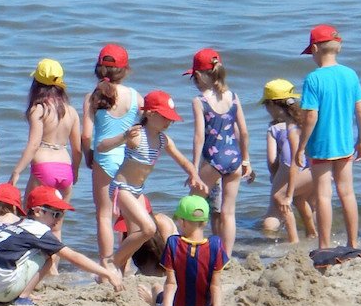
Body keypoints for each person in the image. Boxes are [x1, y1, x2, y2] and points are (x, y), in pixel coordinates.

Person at [96, 90, 206, 275]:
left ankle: (118, 274)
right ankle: (111, 262)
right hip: (121, 188)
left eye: (171, 119)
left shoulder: (163, 140)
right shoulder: (136, 135)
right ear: (149, 113)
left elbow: (183, 161)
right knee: (148, 229)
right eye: (164, 117)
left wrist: (194, 175)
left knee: (134, 237)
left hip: (137, 191)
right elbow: (101, 147)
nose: (168, 122)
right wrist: (124, 136)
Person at [0, 185, 122, 305]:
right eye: (56, 214)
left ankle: (15, 292)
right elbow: (73, 257)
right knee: (49, 256)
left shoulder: (18, 224)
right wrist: (107, 273)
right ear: (37, 211)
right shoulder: (38, 230)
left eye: (62, 214)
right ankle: (22, 297)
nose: (59, 220)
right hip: (3, 290)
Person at [294, 25, 361, 248]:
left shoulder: (313, 79)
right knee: (347, 193)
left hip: (321, 146)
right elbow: (360, 110)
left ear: (315, 49)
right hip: (345, 144)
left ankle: (324, 246)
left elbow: (311, 116)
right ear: (338, 48)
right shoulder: (350, 74)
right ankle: (353, 242)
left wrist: (301, 146)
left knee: (323, 195)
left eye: (311, 52)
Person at [184, 48, 253, 257]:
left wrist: (194, 170)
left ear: (198, 76)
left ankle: (191, 250)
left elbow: (199, 137)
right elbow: (243, 132)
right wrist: (246, 160)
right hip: (234, 158)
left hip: (214, 159)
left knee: (193, 204)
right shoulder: (233, 97)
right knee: (228, 212)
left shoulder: (200, 101)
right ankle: (226, 257)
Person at [82, 44, 141, 265]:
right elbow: (145, 126)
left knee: (105, 215)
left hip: (104, 158)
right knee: (129, 215)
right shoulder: (135, 96)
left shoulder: (92, 97)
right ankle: (124, 263)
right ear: (125, 70)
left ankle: (106, 264)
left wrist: (88, 155)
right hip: (129, 161)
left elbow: (86, 135)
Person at [9, 58, 81, 199]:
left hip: (44, 167)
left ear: (36, 83)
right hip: (65, 169)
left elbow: (34, 145)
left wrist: (17, 171)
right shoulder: (71, 111)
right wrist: (75, 171)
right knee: (59, 213)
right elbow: (77, 150)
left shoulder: (39, 109)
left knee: (31, 212)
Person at [260, 78, 315, 243]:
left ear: (271, 105)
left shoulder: (275, 129)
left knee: (278, 202)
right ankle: (312, 233)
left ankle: (293, 240)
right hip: (315, 170)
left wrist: (276, 175)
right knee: (305, 201)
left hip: (291, 169)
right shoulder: (306, 121)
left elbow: (272, 162)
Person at [160, 195, 229, 306]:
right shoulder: (215, 245)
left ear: (182, 222)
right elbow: (215, 285)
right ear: (205, 222)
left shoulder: (173, 243)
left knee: (156, 288)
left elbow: (171, 284)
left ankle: (153, 301)